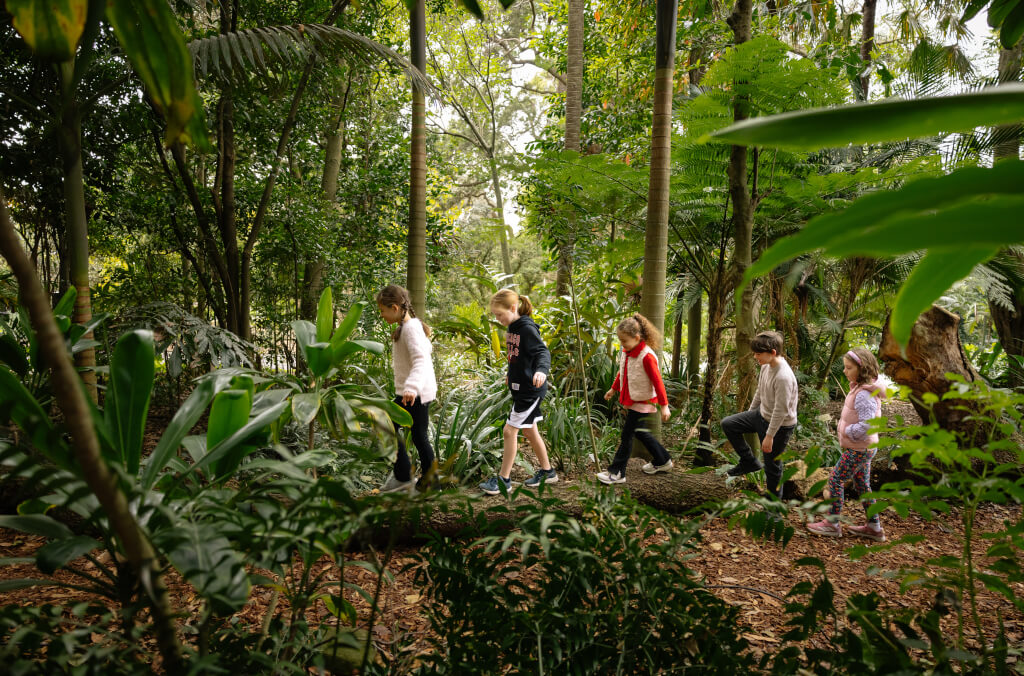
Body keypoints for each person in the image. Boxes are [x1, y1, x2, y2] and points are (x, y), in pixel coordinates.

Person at [479, 289, 557, 495]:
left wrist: (541, 370)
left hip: (531, 390)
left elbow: (542, 351)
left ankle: (503, 480)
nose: (498, 319)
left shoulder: (527, 329)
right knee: (529, 430)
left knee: (509, 431)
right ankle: (548, 472)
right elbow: (517, 357)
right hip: (520, 387)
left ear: (513, 308)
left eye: (499, 314)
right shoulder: (513, 326)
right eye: (495, 315)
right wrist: (510, 374)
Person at [808, 348, 887, 541]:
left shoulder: (864, 394)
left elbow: (867, 425)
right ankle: (874, 526)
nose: (845, 371)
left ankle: (832, 524)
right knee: (862, 485)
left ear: (862, 369)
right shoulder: (861, 389)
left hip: (859, 448)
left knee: (835, 480)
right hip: (864, 447)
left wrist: (846, 431)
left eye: (849, 368)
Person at [720, 331, 798, 500]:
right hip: (761, 415)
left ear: (773, 353)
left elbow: (781, 410)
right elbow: (760, 392)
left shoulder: (783, 376)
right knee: (729, 424)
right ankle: (748, 461)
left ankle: (774, 508)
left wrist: (769, 436)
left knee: (773, 467)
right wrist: (749, 413)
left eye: (758, 354)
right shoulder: (765, 366)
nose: (755, 357)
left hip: (780, 426)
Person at [596, 314, 673, 485]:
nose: (622, 344)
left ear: (637, 338)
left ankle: (617, 473)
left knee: (627, 436)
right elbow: (623, 372)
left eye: (624, 341)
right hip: (634, 400)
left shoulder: (646, 356)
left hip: (643, 401)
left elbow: (658, 381)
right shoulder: (628, 351)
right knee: (640, 432)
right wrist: (613, 388)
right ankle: (663, 460)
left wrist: (664, 406)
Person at [376, 285, 437, 494]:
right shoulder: (409, 327)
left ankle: (414, 479)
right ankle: (406, 476)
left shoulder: (411, 328)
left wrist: (411, 387)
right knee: (394, 427)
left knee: (407, 432)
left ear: (394, 307)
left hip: (415, 394)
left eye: (383, 310)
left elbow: (421, 359)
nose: (382, 315)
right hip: (410, 393)